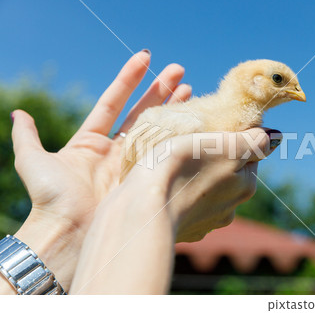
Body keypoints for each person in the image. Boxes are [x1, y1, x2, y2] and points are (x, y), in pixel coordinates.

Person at [0, 50, 281, 295]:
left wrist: (73, 234)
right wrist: (146, 209)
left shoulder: (202, 119)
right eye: (279, 80)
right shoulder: (184, 121)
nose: (295, 90)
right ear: (253, 81)